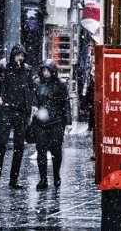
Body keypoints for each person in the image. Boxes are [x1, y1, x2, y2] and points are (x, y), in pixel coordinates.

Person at [0, 45, 37, 189]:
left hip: (21, 111)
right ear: (13, 56)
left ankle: (13, 179)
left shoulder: (27, 71)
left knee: (19, 146)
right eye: (18, 55)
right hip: (7, 109)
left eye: (22, 55)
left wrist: (32, 105)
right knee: (1, 144)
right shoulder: (5, 69)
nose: (20, 58)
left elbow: (32, 89)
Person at [33, 61, 72, 190]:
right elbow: (35, 101)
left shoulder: (60, 85)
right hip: (41, 123)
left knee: (56, 151)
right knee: (41, 151)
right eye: (44, 70)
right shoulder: (38, 84)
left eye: (48, 70)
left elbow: (66, 103)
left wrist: (67, 122)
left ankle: (56, 176)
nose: (45, 73)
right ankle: (43, 178)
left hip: (56, 122)